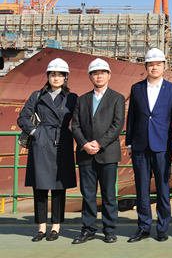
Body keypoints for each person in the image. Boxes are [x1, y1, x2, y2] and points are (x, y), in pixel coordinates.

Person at [125, 48, 172, 243]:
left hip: (163, 147)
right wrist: (129, 143)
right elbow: (132, 118)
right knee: (141, 188)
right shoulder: (136, 88)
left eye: (158, 64)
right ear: (146, 67)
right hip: (140, 146)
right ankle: (143, 228)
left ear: (164, 67)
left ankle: (163, 228)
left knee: (163, 188)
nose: (154, 67)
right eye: (151, 64)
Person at [17, 58, 78, 243]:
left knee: (59, 188)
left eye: (60, 75)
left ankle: (56, 227)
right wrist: (35, 132)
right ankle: (41, 228)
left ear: (66, 77)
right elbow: (23, 116)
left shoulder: (72, 97)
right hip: (41, 143)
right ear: (48, 76)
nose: (56, 78)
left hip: (62, 143)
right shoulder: (37, 95)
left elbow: (79, 119)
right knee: (40, 187)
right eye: (53, 74)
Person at [70, 58, 126, 244]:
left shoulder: (117, 98)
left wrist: (100, 143)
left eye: (102, 73)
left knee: (109, 194)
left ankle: (109, 229)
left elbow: (117, 124)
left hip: (107, 153)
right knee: (88, 194)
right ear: (90, 77)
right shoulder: (82, 99)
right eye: (95, 73)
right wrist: (84, 144)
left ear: (109, 75)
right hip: (85, 154)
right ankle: (88, 229)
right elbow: (75, 125)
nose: (99, 76)